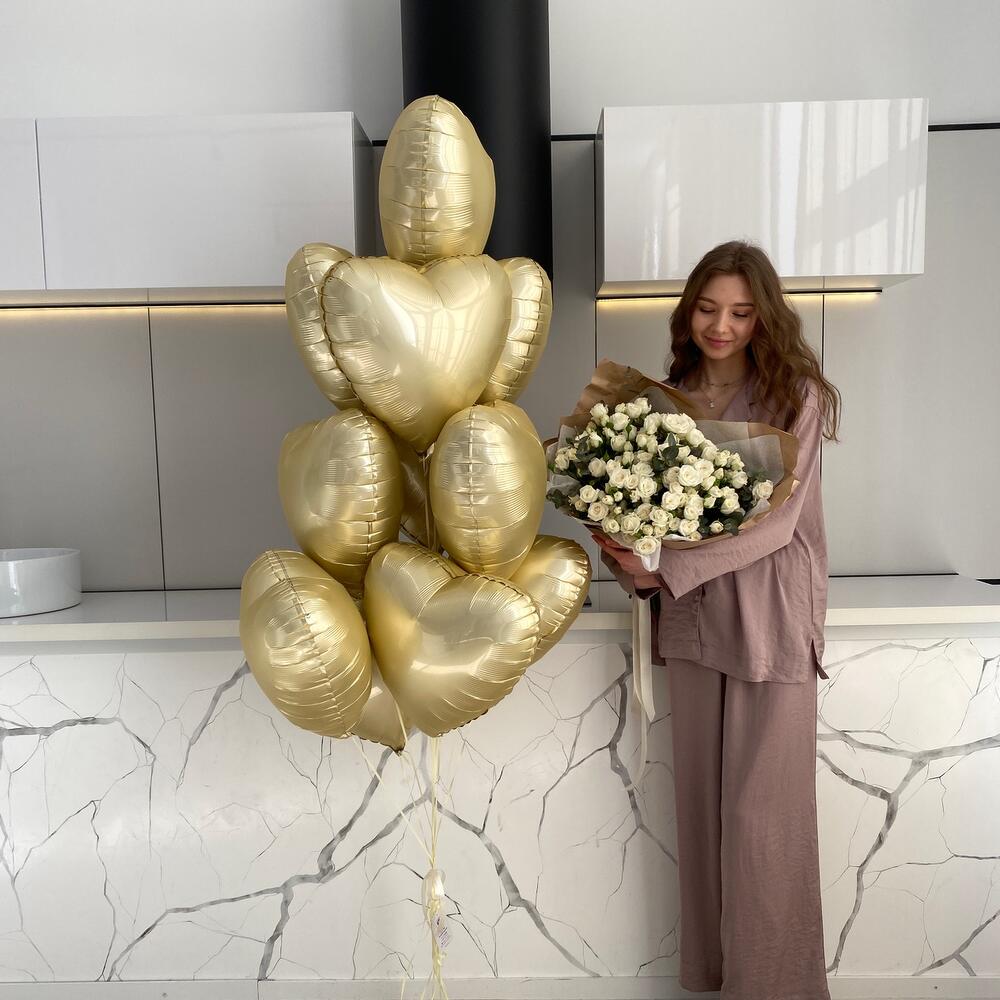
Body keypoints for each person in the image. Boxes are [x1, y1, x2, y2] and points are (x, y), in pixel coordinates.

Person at [594, 239, 842, 1000]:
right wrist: (623, 552)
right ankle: (714, 982)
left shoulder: (794, 397)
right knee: (702, 821)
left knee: (764, 826)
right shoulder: (662, 401)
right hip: (696, 622)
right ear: (687, 312)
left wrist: (665, 566)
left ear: (764, 317)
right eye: (707, 309)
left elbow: (777, 525)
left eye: (740, 312)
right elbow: (643, 522)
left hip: (771, 620)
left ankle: (774, 990)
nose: (721, 326)